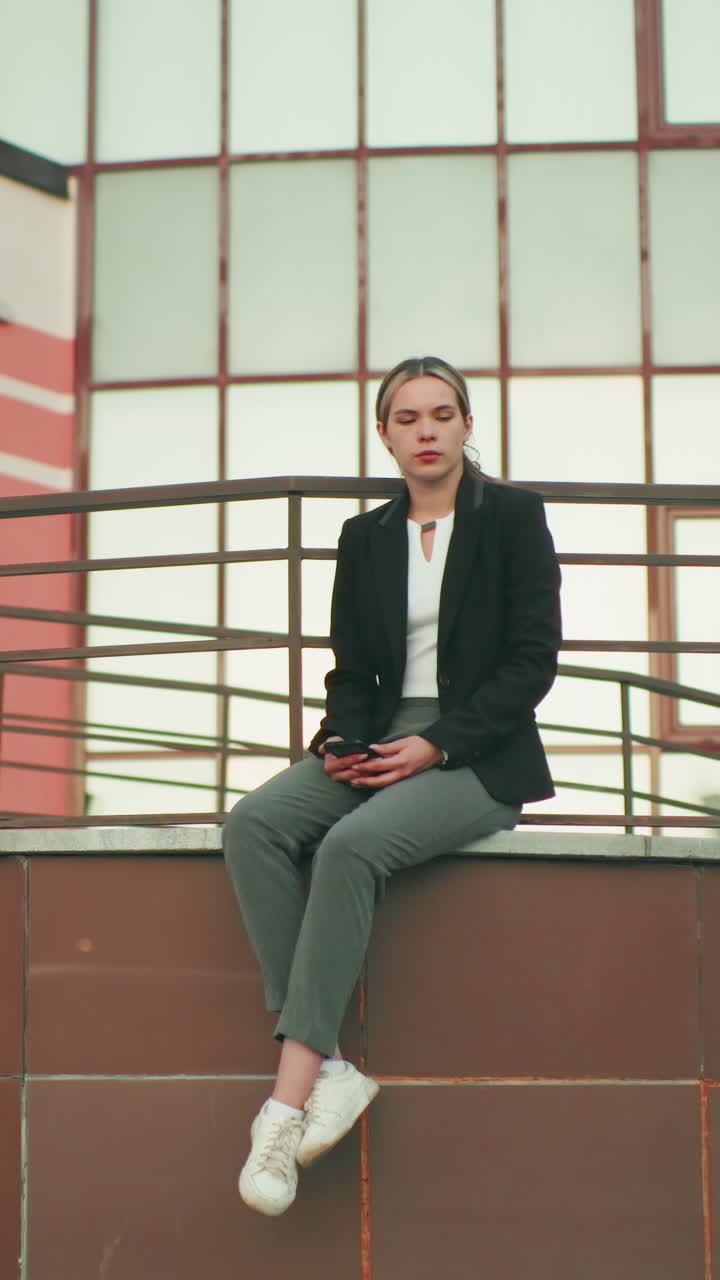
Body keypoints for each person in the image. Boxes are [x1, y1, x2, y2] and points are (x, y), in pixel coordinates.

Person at [223, 355, 562, 1216]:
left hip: (479, 754)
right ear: (384, 434)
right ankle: (334, 1066)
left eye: (442, 414)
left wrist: (436, 745)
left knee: (351, 845)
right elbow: (351, 669)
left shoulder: (513, 518)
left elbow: (532, 664)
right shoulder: (365, 535)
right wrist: (339, 741)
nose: (426, 431)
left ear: (467, 424)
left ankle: (285, 1104)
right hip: (378, 739)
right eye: (407, 418)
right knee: (255, 824)